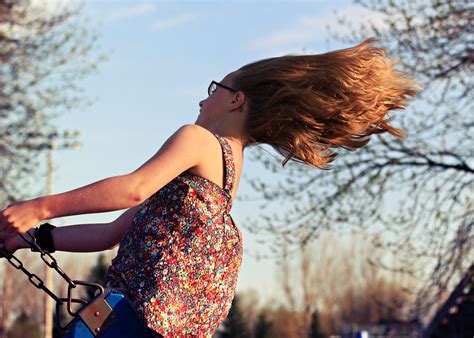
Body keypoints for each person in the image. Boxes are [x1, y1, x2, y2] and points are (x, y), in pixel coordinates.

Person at [0, 37, 419, 336]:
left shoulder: (198, 140)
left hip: (135, 317)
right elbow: (112, 232)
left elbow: (132, 189)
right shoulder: (226, 178)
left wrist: (41, 207)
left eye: (214, 89)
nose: (203, 101)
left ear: (235, 100)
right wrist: (33, 240)